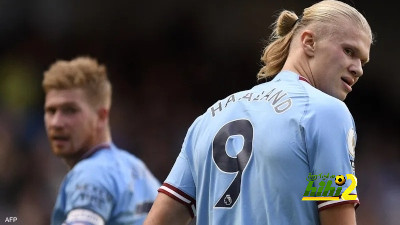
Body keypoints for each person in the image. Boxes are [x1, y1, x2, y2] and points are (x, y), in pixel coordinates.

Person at [143, 0, 374, 225]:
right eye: (349, 51)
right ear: (309, 42)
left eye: (363, 61)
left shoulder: (208, 118)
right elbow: (336, 216)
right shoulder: (327, 113)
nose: (359, 69)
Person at [43, 56, 160, 225]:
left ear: (101, 116)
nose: (56, 123)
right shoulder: (139, 171)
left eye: (70, 110)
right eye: (51, 111)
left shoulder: (91, 174)